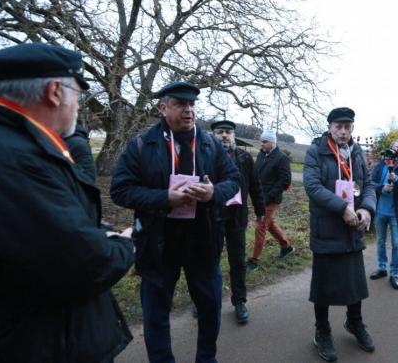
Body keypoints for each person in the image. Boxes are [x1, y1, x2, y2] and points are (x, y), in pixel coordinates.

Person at [0, 43, 135, 362]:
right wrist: (125, 245)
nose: (78, 105)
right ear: (54, 92)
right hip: (25, 343)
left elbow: (40, 231)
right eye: (77, 94)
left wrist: (93, 230)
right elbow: (82, 264)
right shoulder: (15, 160)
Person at [110, 82, 240, 363]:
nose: (189, 110)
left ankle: (207, 358)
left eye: (192, 105)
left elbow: (234, 180)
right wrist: (163, 198)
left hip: (202, 241)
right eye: (181, 104)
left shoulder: (211, 144)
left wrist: (213, 192)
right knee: (156, 314)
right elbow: (120, 190)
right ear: (163, 108)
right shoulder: (143, 144)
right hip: (159, 243)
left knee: (209, 309)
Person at [304, 107, 376, 361]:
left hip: (353, 228)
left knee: (354, 283)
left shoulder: (357, 153)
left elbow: (367, 185)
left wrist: (367, 209)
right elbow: (312, 186)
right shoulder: (316, 151)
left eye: (348, 126)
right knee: (323, 286)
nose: (343, 131)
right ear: (330, 127)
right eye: (338, 126)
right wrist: (341, 208)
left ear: (353, 128)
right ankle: (322, 331)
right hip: (328, 228)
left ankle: (354, 322)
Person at [210, 120, 265, 324]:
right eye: (220, 132)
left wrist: (260, 211)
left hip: (236, 217)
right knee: (210, 260)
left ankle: (239, 301)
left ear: (234, 135)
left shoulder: (244, 158)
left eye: (228, 132)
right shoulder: (206, 156)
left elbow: (255, 185)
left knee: (238, 260)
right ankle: (205, 301)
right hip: (212, 216)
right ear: (213, 135)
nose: (225, 135)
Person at [369, 139, 398, 290]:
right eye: (396, 147)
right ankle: (382, 268)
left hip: (397, 213)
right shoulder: (381, 164)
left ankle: (394, 274)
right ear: (391, 148)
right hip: (380, 210)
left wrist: (396, 179)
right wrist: (382, 188)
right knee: (381, 241)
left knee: (397, 244)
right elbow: (370, 183)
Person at [247, 130, 294, 270]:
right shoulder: (261, 155)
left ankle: (254, 261)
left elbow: (285, 181)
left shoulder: (282, 158)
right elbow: (255, 174)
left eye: (264, 141)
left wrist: (268, 196)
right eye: (261, 141)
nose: (261, 144)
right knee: (270, 224)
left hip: (271, 199)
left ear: (273, 142)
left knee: (261, 226)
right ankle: (287, 247)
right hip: (259, 197)